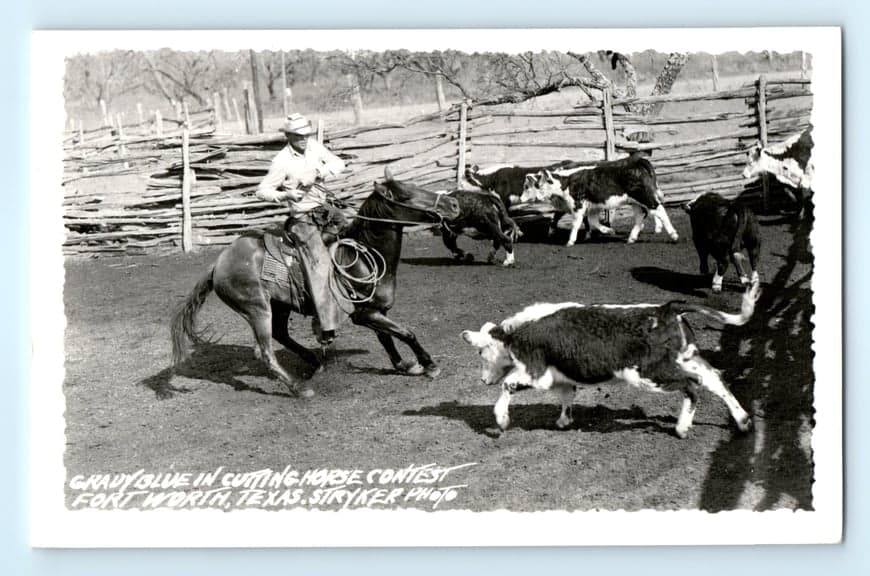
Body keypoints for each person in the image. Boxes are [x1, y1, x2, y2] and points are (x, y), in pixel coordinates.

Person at [256, 113, 347, 345]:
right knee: (320, 264)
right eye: (298, 136)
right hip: (303, 219)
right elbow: (262, 190)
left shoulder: (315, 147)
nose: (304, 139)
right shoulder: (281, 161)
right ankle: (325, 324)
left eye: (306, 135)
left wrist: (318, 173)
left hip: (326, 211)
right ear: (288, 136)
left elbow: (339, 163)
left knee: (353, 235)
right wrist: (286, 194)